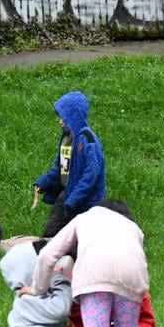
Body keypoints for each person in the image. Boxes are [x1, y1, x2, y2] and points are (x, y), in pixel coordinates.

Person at [23, 199, 147, 327]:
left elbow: (48, 255)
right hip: (132, 275)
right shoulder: (133, 228)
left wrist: (37, 288)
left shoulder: (83, 218)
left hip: (93, 275)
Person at [33, 90, 105, 238]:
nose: (60, 121)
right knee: (52, 232)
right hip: (67, 195)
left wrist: (75, 198)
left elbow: (91, 173)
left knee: (84, 237)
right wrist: (44, 182)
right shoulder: (66, 139)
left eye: (63, 117)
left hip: (85, 202)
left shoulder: (88, 140)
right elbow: (59, 167)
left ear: (74, 116)